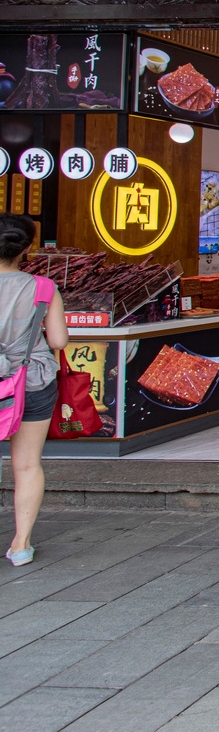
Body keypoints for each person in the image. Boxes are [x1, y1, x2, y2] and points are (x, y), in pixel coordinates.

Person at [0, 215, 68, 566]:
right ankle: (21, 545)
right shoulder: (43, 288)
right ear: (26, 248)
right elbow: (58, 341)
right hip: (32, 382)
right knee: (27, 465)